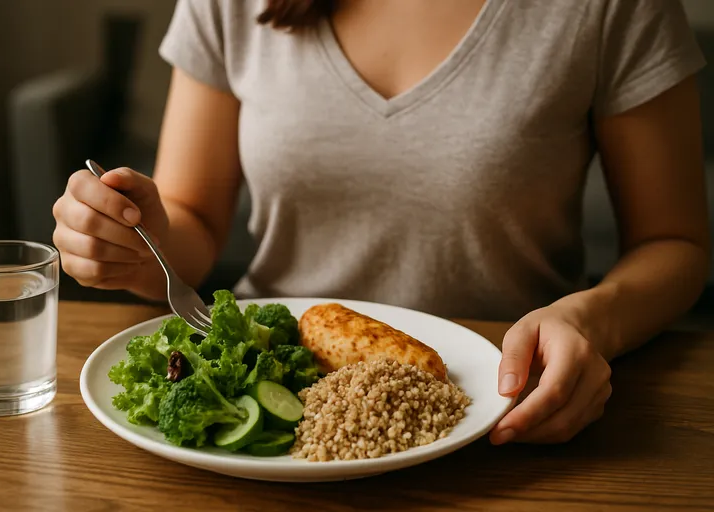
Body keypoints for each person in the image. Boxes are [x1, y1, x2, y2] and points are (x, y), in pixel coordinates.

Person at [52, 0, 711, 445]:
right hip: (274, 416)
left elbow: (675, 245)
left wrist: (590, 319)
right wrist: (138, 245)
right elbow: (189, 228)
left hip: (510, 415)